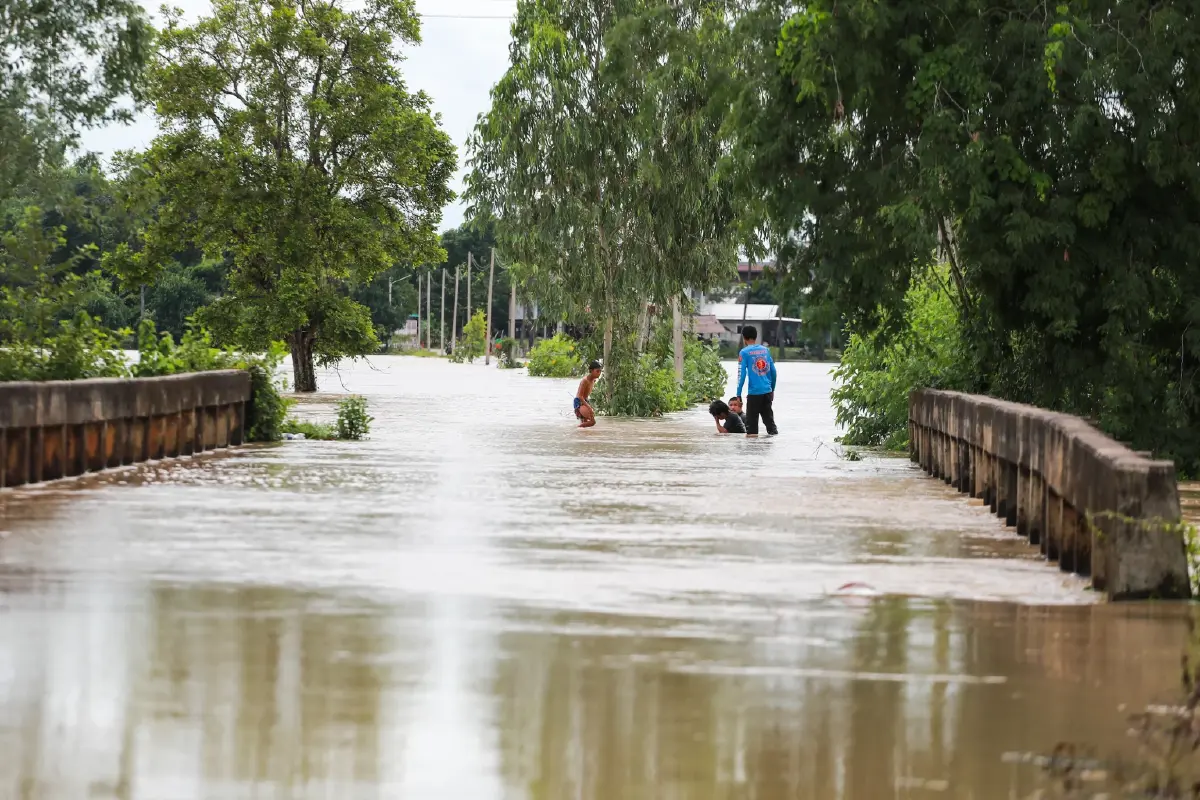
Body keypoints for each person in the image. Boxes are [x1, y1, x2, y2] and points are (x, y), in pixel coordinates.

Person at [736, 325, 778, 437]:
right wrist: (772, 389)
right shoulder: (766, 350)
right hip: (767, 392)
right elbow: (773, 372)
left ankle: (753, 453)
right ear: (756, 337)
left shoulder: (743, 352)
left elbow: (742, 375)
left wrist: (738, 394)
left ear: (744, 338)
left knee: (751, 430)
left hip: (754, 394)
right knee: (770, 425)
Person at [574, 360, 602, 428]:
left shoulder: (593, 380)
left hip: (585, 401)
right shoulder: (585, 380)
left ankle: (582, 435)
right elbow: (580, 396)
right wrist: (589, 407)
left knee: (586, 422)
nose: (599, 373)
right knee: (592, 421)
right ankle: (576, 430)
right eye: (597, 371)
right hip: (579, 402)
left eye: (600, 371)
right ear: (591, 371)